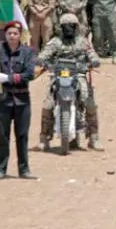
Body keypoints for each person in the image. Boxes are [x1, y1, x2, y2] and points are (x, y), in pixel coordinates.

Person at [0, 24, 37, 180]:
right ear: (5, 34)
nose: (11, 36)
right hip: (2, 99)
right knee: (3, 136)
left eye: (15, 33)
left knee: (22, 135)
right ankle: (1, 169)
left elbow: (30, 74)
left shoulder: (28, 52)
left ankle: (24, 170)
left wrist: (9, 78)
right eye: (9, 33)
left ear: (20, 35)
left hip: (22, 100)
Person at [35, 14, 103, 152]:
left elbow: (92, 54)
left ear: (76, 27)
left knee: (89, 103)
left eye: (71, 26)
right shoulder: (55, 42)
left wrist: (94, 61)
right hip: (58, 75)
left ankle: (94, 138)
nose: (68, 28)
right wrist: (41, 60)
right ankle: (44, 138)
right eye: (65, 26)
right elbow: (44, 54)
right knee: (47, 104)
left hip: (78, 75)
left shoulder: (83, 42)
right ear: (61, 28)